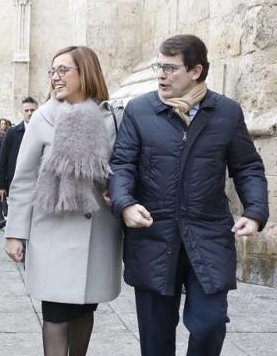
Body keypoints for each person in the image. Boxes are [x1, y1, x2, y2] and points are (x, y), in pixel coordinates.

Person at [109, 34, 269, 356]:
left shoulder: (225, 112)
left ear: (195, 71)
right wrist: (125, 204)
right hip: (153, 234)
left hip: (207, 235)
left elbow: (248, 166)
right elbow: (122, 164)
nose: (160, 75)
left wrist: (254, 212)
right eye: (159, 66)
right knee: (156, 339)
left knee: (210, 324)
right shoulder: (140, 111)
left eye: (170, 68)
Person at [5, 46, 123, 356]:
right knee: (56, 314)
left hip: (98, 230)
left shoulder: (110, 117)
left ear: (85, 73)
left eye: (63, 70)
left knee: (85, 310)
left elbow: (123, 168)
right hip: (53, 232)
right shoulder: (43, 117)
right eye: (52, 71)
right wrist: (15, 233)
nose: (56, 77)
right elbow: (24, 179)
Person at [0, 96, 38, 228]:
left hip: (38, 182)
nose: (30, 113)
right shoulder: (12, 133)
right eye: (27, 110)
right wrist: (1, 185)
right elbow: (3, 159)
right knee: (18, 218)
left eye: (33, 110)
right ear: (22, 112)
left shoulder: (45, 131)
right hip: (16, 181)